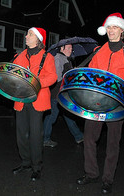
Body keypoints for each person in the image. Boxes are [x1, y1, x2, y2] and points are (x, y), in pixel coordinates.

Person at [76, 13, 124, 194]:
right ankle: (91, 173)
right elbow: (90, 73)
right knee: (89, 138)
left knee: (113, 143)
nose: (111, 31)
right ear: (105, 30)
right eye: (109, 28)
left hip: (117, 104)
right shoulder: (99, 51)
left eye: (114, 27)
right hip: (96, 103)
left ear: (121, 30)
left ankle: (108, 179)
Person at [12, 27, 57, 181]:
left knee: (36, 135)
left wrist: (35, 82)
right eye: (27, 34)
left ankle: (36, 167)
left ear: (37, 39)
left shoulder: (47, 57)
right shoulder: (20, 56)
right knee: (21, 135)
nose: (26, 36)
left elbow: (52, 77)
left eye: (30, 34)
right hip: (21, 100)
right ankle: (25, 162)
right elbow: (13, 75)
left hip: (38, 100)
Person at [43, 44, 84, 147]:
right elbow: (56, 77)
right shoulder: (58, 57)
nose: (71, 50)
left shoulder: (66, 59)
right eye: (69, 48)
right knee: (51, 117)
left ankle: (79, 137)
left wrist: (73, 72)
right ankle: (45, 139)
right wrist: (70, 73)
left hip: (64, 94)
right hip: (56, 93)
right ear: (62, 48)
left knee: (68, 115)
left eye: (71, 48)